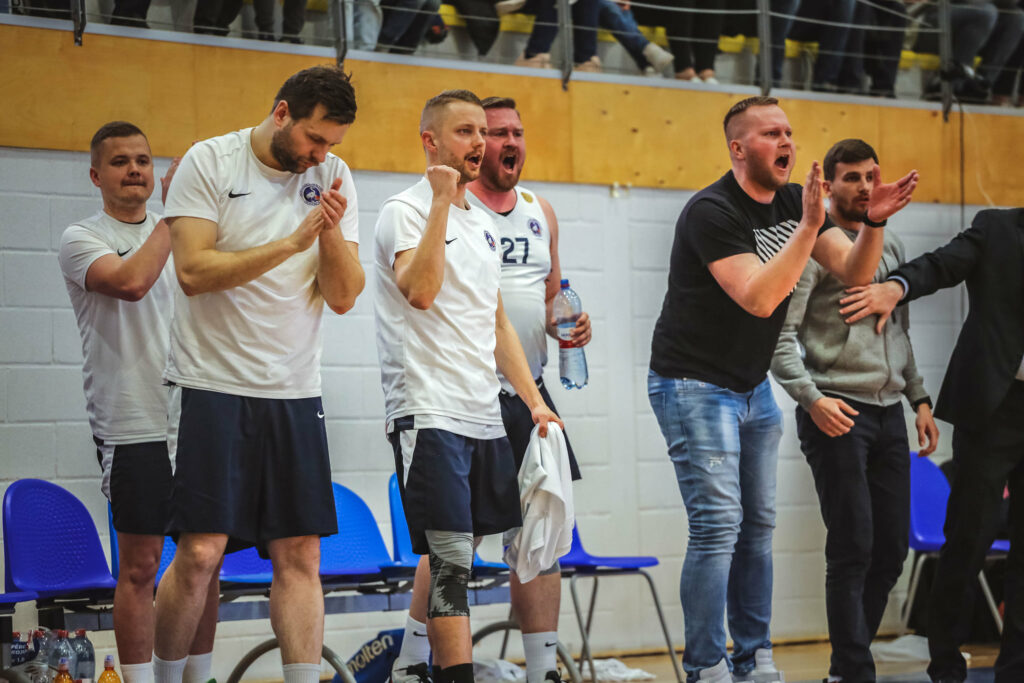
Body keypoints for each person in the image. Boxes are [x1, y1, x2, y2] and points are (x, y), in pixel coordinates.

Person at [647, 95, 919, 683]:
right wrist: (810, 228)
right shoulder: (712, 211)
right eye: (771, 133)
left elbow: (857, 272)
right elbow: (760, 298)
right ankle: (706, 666)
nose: (787, 142)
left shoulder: (797, 202)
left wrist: (872, 222)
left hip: (750, 388)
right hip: (693, 384)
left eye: (789, 132)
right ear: (738, 148)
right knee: (718, 528)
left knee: (757, 529)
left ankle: (754, 658)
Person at [151, 65, 364, 683]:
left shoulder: (333, 175)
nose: (320, 155)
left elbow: (344, 297)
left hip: (294, 390)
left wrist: (328, 238)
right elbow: (193, 273)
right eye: (314, 139)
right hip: (210, 385)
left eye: (331, 144)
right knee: (201, 552)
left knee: (301, 553)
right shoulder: (210, 161)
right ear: (281, 113)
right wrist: (292, 243)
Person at [385, 95, 591, 683]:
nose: (488, 142)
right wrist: (441, 203)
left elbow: (506, 316)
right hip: (436, 403)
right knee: (454, 549)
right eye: (473, 131)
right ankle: (415, 663)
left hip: (507, 395)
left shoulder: (517, 215)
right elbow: (420, 292)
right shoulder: (410, 210)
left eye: (497, 131)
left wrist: (538, 398)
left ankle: (542, 670)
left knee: (539, 528)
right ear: (432, 140)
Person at [770, 138, 939, 683]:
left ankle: (845, 669)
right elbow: (779, 339)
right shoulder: (813, 248)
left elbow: (898, 332)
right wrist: (812, 399)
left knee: (890, 552)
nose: (865, 187)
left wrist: (919, 398)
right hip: (837, 410)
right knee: (853, 548)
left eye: (871, 177)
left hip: (890, 412)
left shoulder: (889, 244)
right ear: (828, 184)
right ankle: (854, 673)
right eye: (852, 178)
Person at [57, 122, 219, 683]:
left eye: (144, 161)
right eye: (121, 161)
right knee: (142, 565)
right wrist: (177, 213)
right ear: (96, 175)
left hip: (194, 415)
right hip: (131, 420)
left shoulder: (183, 232)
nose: (135, 170)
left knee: (202, 562)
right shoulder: (82, 237)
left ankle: (198, 676)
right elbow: (131, 282)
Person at [856, 206, 1024, 683]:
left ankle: (1016, 669)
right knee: (969, 538)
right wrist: (898, 285)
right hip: (995, 407)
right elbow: (942, 263)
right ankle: (946, 664)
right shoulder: (998, 228)